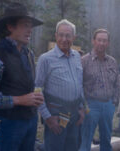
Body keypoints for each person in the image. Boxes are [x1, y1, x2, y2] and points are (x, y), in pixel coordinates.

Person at [0, 3, 44, 151]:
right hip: (7, 125)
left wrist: (35, 98)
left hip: (30, 122)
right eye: (25, 25)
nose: (30, 30)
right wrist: (19, 100)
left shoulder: (29, 54)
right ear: (10, 27)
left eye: (30, 26)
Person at [35, 19, 85, 151]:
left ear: (74, 37)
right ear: (56, 36)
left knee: (73, 147)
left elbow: (79, 84)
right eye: (61, 35)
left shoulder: (77, 57)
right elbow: (37, 89)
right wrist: (47, 117)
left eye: (68, 35)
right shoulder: (45, 59)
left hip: (74, 114)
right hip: (56, 114)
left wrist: (82, 108)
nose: (64, 39)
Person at [79, 29, 120, 151]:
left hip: (108, 105)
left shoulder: (112, 62)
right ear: (93, 41)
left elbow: (117, 83)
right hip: (91, 106)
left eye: (105, 41)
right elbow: (79, 85)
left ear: (108, 43)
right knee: (85, 140)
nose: (102, 43)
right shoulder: (84, 61)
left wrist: (114, 103)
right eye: (99, 40)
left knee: (106, 140)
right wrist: (83, 105)